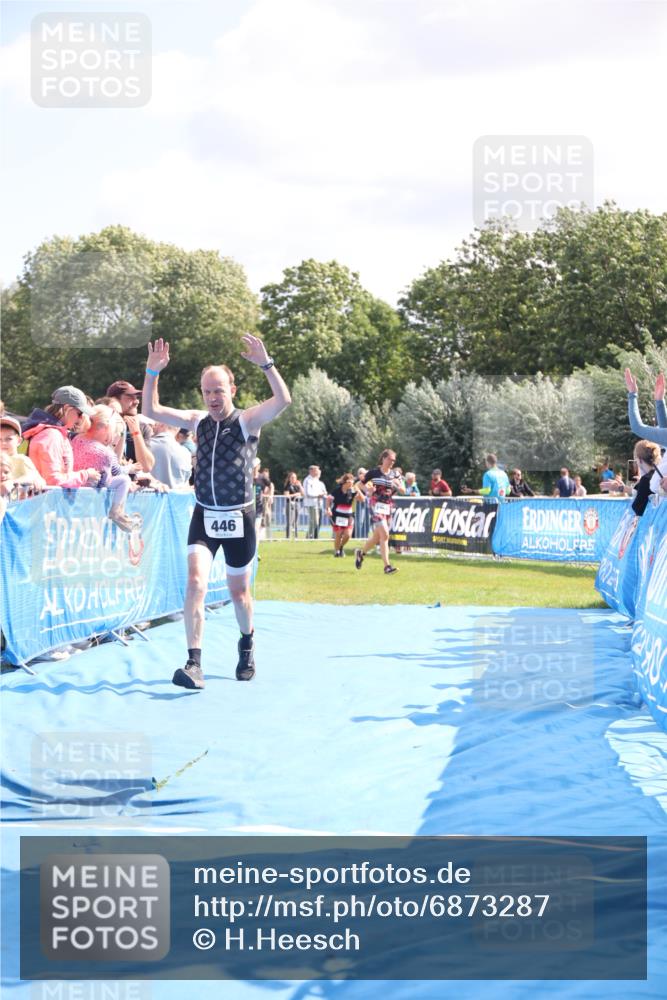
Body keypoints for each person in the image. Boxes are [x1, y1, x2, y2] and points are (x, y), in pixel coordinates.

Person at [142, 334, 291, 690]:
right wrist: (152, 371)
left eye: (219, 391)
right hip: (205, 515)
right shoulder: (196, 421)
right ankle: (194, 663)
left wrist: (266, 364)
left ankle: (247, 643)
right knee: (195, 582)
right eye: (207, 391)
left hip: (239, 517)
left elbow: (283, 400)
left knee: (238, 593)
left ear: (232, 390)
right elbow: (151, 410)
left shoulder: (247, 421)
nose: (212, 397)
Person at [21, 386, 101, 488]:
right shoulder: (51, 435)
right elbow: (53, 480)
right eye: (79, 413)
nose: (80, 419)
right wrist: (85, 475)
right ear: (67, 408)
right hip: (45, 501)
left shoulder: (54, 433)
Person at [72, 405, 136, 531]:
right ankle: (116, 511)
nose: (115, 437)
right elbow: (115, 473)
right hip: (95, 489)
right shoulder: (106, 452)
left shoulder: (75, 439)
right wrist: (130, 469)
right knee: (124, 480)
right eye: (116, 432)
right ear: (107, 428)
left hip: (74, 487)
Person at [355, 449, 406, 575]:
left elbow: (403, 490)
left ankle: (361, 553)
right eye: (389, 459)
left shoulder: (395, 474)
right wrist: (368, 491)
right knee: (385, 534)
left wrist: (397, 485)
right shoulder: (373, 472)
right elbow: (358, 485)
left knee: (377, 537)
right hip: (375, 505)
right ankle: (387, 566)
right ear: (383, 459)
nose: (391, 463)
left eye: (393, 461)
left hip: (388, 506)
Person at [106, 379, 156, 473]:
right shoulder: (103, 423)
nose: (137, 401)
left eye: (136, 397)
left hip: (130, 485)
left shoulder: (143, 427)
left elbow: (146, 467)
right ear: (114, 400)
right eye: (130, 397)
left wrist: (136, 432)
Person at [0, 415, 46, 491]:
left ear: (19, 441)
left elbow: (34, 476)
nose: (3, 443)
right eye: (0, 439)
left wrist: (12, 483)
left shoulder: (22, 459)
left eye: (8, 439)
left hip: (15, 502)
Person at [326, 473, 365, 557]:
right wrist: (328, 509)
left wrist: (357, 489)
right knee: (339, 534)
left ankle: (340, 547)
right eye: (350, 482)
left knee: (348, 535)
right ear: (345, 482)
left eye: (353, 483)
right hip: (337, 515)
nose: (352, 484)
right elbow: (329, 499)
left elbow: (362, 499)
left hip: (349, 516)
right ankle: (337, 552)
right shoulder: (337, 490)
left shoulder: (353, 491)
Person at [149, 421, 193, 490]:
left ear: (161, 424)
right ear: (178, 429)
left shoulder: (146, 446)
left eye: (156, 423)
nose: (154, 426)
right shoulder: (186, 453)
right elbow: (185, 484)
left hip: (149, 498)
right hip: (177, 499)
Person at [302, 465, 327, 539]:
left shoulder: (316, 480)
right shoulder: (307, 480)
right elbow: (308, 493)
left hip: (318, 503)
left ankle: (311, 536)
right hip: (311, 504)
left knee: (315, 522)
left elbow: (322, 491)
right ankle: (309, 537)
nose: (318, 472)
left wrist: (322, 494)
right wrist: (318, 495)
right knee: (314, 522)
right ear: (311, 471)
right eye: (316, 470)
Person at [283, 471, 304, 538]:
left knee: (296, 521)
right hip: (290, 504)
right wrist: (296, 494)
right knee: (289, 521)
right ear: (289, 478)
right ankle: (288, 537)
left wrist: (300, 486)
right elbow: (286, 495)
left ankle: (296, 537)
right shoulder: (287, 486)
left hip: (297, 504)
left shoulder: (297, 486)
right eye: (292, 477)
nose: (294, 479)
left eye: (295, 477)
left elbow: (303, 493)